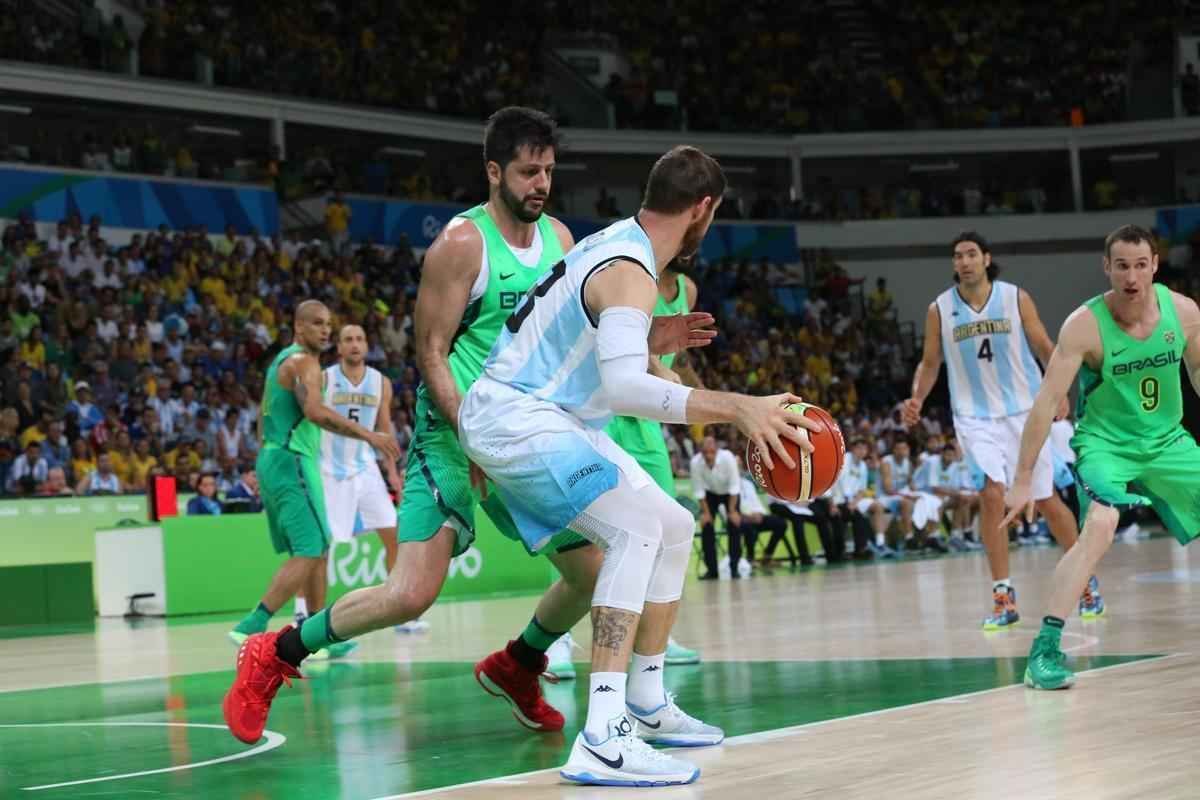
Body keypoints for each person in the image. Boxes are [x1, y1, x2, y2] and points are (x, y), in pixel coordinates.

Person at [224, 107, 588, 740]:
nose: (541, 184)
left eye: (550, 171)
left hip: (525, 434)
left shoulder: (559, 240)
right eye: (529, 172)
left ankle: (520, 664)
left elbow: (568, 336)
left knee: (593, 573)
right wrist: (472, 434)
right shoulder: (460, 245)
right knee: (412, 592)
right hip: (453, 437)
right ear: (495, 171)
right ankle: (275, 652)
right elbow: (432, 354)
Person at [456, 145, 813, 786]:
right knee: (635, 531)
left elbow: (585, 342)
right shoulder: (631, 269)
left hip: (548, 412)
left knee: (673, 525)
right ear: (703, 209)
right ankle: (604, 734)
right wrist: (738, 408)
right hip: (517, 417)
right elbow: (625, 391)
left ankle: (645, 703)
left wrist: (653, 339)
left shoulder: (619, 243)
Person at [1008, 225, 1200, 688]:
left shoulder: (1185, 312)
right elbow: (1047, 401)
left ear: (1155, 264)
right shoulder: (1084, 325)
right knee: (1099, 527)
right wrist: (1022, 477)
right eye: (1121, 266)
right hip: (1105, 445)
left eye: (1140, 265)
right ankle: (1044, 652)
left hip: (1166, 440)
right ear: (1107, 267)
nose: (1131, 276)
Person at [903, 231, 1099, 629]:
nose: (964, 261)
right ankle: (1003, 595)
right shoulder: (939, 309)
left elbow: (1046, 345)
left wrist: (1058, 389)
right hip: (973, 417)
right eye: (957, 256)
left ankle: (1084, 581)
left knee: (1045, 499)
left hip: (1025, 411)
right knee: (990, 492)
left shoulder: (1015, 297)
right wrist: (916, 399)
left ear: (987, 259)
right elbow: (929, 363)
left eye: (971, 254)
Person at [545, 257, 705, 676]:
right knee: (593, 542)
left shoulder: (687, 290)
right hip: (610, 412)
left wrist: (703, 396)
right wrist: (653, 369)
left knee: (667, 531)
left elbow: (679, 359)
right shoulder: (630, 276)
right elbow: (613, 339)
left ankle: (656, 635)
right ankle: (558, 638)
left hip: (649, 421)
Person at [224, 300, 399, 654]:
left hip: (276, 457)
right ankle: (253, 623)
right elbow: (316, 412)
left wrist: (265, 456)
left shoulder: (280, 361)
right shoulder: (305, 362)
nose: (324, 330)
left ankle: (319, 634)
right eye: (317, 323)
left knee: (318, 548)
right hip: (295, 460)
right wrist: (368, 435)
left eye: (328, 325)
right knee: (311, 549)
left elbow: (264, 412)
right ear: (298, 326)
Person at [295, 324, 403, 631]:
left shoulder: (380, 382)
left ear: (367, 345)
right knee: (318, 547)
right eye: (348, 340)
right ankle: (303, 610)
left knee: (394, 536)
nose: (354, 344)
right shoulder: (326, 378)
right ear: (339, 348)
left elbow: (384, 428)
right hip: (328, 469)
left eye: (359, 338)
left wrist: (392, 471)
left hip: (365, 467)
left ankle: (395, 606)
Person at [691, 435, 744, 579]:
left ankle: (734, 568)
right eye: (705, 451)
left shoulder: (728, 458)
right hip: (710, 494)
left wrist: (732, 511)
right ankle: (712, 571)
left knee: (734, 525)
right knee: (707, 526)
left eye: (711, 451)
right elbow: (699, 490)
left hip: (729, 494)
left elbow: (734, 485)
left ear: (716, 449)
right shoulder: (695, 462)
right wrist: (706, 513)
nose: (709, 455)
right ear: (701, 451)